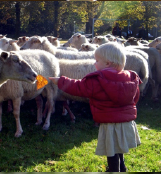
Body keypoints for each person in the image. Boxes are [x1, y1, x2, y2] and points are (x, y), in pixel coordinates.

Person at [49, 42, 141, 172]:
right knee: (119, 146)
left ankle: (113, 170)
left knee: (111, 150)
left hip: (110, 123)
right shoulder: (131, 78)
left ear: (107, 63)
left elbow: (78, 87)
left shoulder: (98, 80)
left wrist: (60, 81)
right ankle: (122, 167)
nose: (94, 63)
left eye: (97, 60)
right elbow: (135, 98)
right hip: (126, 122)